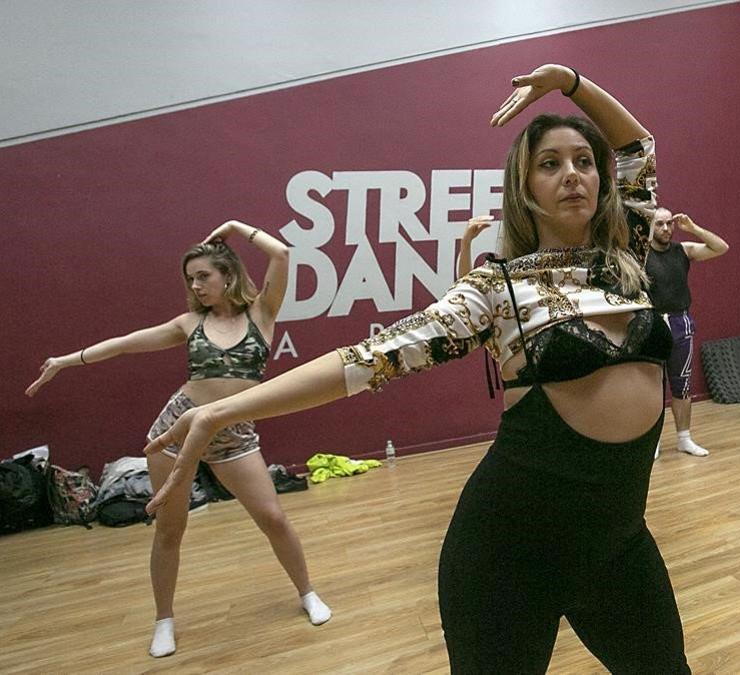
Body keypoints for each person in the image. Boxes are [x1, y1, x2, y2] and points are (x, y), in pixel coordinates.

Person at [143, 65, 691, 673]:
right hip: (506, 553)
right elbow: (368, 360)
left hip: (617, 547)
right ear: (524, 187)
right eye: (550, 164)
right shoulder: (494, 288)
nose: (572, 175)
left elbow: (638, 147)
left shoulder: (628, 255)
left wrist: (571, 83)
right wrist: (225, 407)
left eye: (584, 162)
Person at [25, 221, 330, 657]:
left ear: (228, 275)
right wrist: (66, 361)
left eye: (203, 275)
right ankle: (163, 620)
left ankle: (307, 593)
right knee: (170, 529)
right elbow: (126, 343)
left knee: (274, 518)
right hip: (176, 430)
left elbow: (280, 254)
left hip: (234, 434)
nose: (196, 285)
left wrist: (233, 227)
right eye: (191, 278)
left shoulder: (262, 313)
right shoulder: (189, 323)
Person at [645, 207, 729, 457]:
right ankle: (654, 442)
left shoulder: (682, 250)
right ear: (650, 227)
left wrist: (693, 228)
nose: (666, 229)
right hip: (652, 324)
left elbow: (721, 247)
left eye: (669, 223)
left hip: (681, 322)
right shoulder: (640, 254)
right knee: (652, 388)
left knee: (681, 384)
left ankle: (684, 438)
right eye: (659, 224)